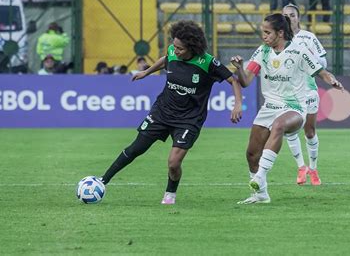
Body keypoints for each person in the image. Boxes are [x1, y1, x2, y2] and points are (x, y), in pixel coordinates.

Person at [99, 20, 243, 205]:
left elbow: (234, 81)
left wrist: (237, 103)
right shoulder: (172, 51)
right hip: (162, 112)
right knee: (135, 148)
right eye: (174, 46)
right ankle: (103, 180)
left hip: (189, 119)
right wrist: (147, 72)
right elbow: (166, 58)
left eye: (180, 48)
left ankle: (170, 193)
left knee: (174, 163)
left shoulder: (207, 62)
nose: (175, 50)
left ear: (192, 48)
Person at [230, 14, 343, 204]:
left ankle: (259, 177)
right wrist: (240, 68)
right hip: (269, 107)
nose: (263, 36)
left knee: (279, 125)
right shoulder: (262, 51)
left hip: (294, 107)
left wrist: (332, 80)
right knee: (251, 155)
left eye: (267, 32)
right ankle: (261, 195)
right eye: (262, 32)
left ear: (280, 33)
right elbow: (246, 81)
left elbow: (321, 72)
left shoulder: (299, 51)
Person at [282, 4, 328, 185]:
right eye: (285, 15)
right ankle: (301, 167)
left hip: (308, 89)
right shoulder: (279, 39)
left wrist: (310, 56)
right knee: (290, 131)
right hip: (288, 91)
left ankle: (313, 168)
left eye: (292, 15)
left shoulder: (308, 37)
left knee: (309, 131)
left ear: (298, 18)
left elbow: (323, 61)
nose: (289, 18)